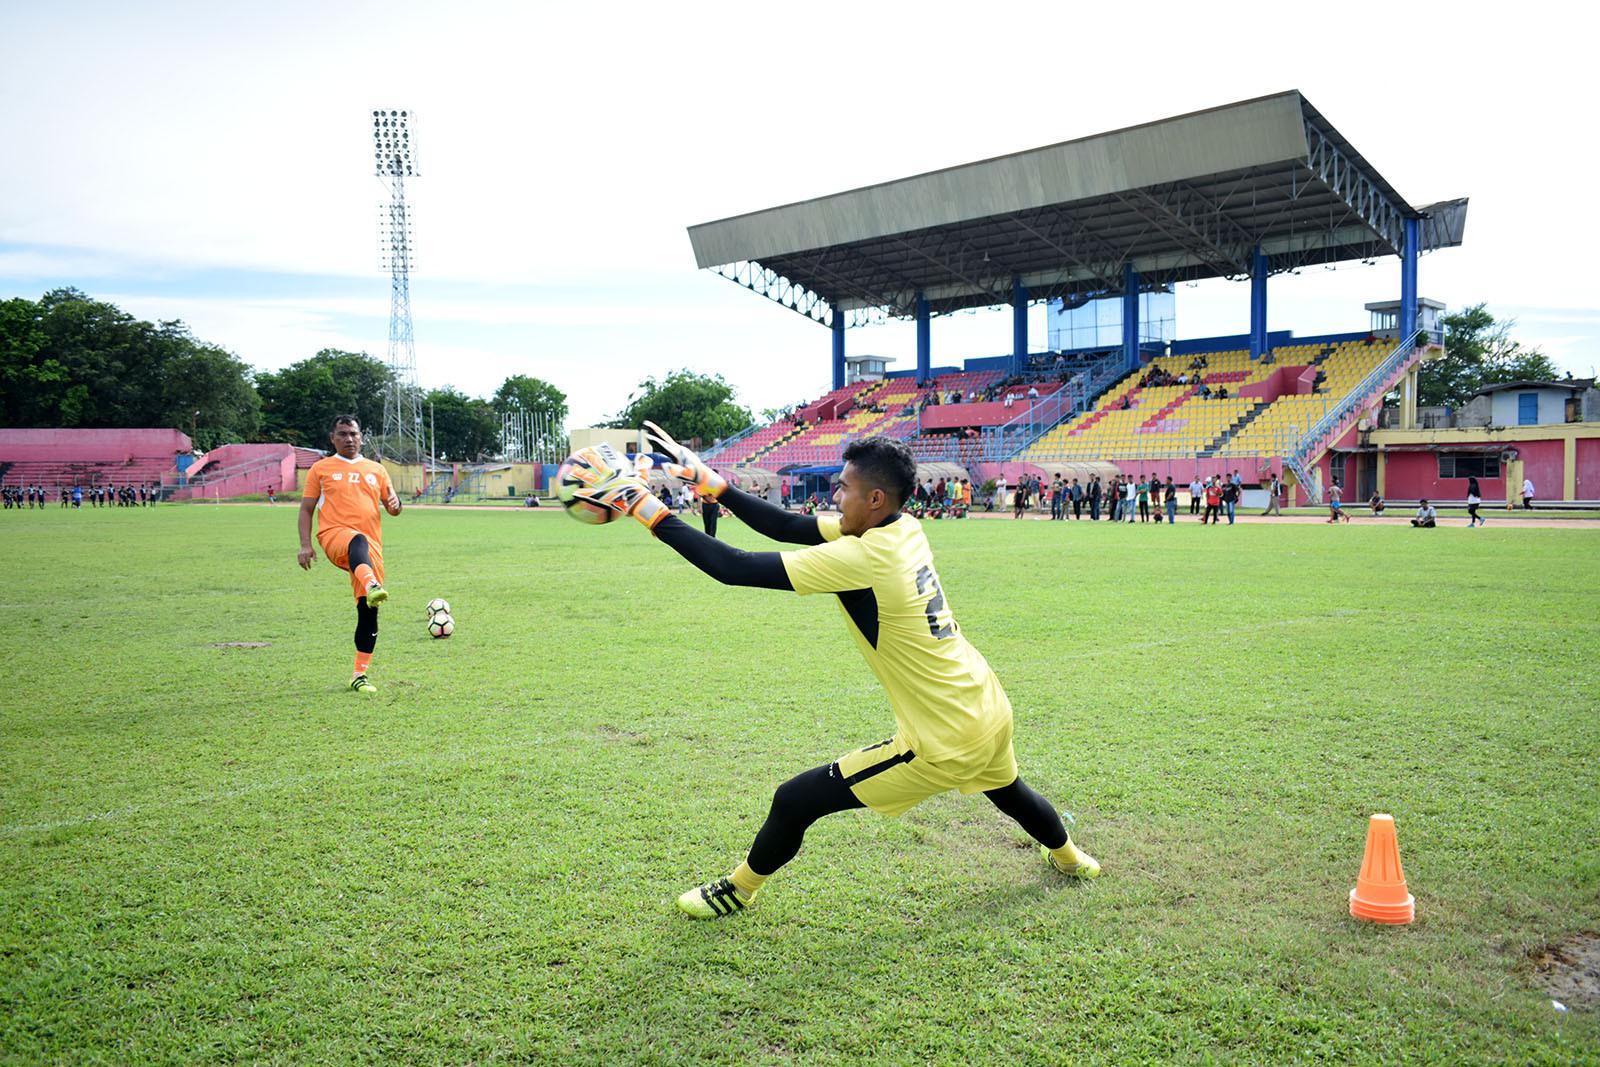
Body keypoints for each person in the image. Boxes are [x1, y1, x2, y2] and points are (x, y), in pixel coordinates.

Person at [569, 431, 1101, 920]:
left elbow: (732, 567)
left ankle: (739, 888)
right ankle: (1072, 858)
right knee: (1006, 787)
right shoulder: (901, 526)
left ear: (874, 499)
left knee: (794, 800)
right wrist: (714, 485)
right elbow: (788, 526)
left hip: (945, 735)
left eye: (843, 488)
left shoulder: (864, 557)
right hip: (983, 700)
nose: (834, 498)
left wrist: (643, 505)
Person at [297, 415, 401, 695]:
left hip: (370, 548)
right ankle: (372, 585)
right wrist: (306, 545)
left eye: (353, 434)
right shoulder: (320, 469)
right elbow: (306, 509)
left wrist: (395, 503)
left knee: (368, 611)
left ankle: (359, 675)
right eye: (342, 434)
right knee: (355, 539)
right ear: (333, 438)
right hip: (334, 535)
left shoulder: (376, 470)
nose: (349, 439)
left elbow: (393, 507)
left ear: (361, 437)